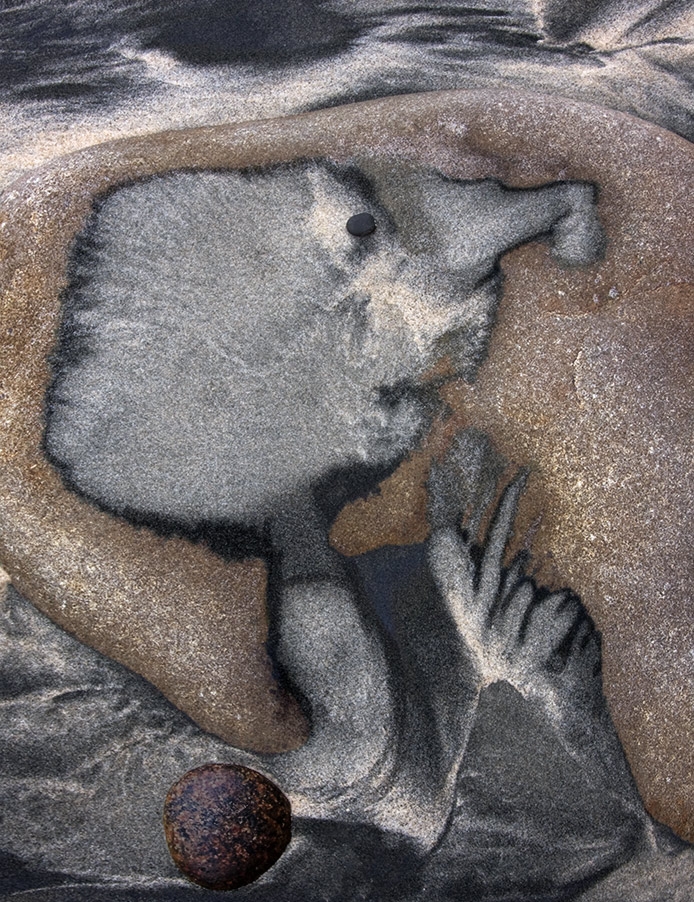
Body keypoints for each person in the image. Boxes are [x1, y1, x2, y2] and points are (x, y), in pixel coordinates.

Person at [45, 159, 611, 846]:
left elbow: (315, 590)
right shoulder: (348, 759)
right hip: (395, 683)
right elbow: (321, 596)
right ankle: (483, 228)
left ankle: (470, 229)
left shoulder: (331, 751)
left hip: (363, 646)